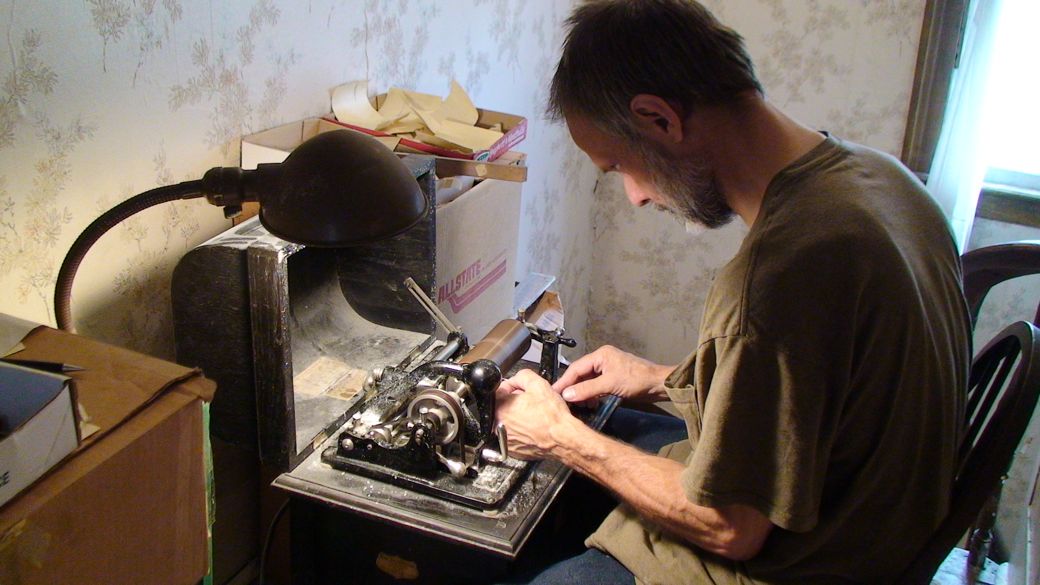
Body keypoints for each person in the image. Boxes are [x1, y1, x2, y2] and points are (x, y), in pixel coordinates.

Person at [495, 1, 972, 583]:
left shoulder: (776, 278)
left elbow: (728, 527)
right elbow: (819, 381)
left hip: (803, 564)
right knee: (606, 442)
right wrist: (661, 377)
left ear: (659, 119)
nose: (635, 197)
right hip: (874, 524)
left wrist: (559, 437)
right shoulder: (884, 180)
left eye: (619, 165)